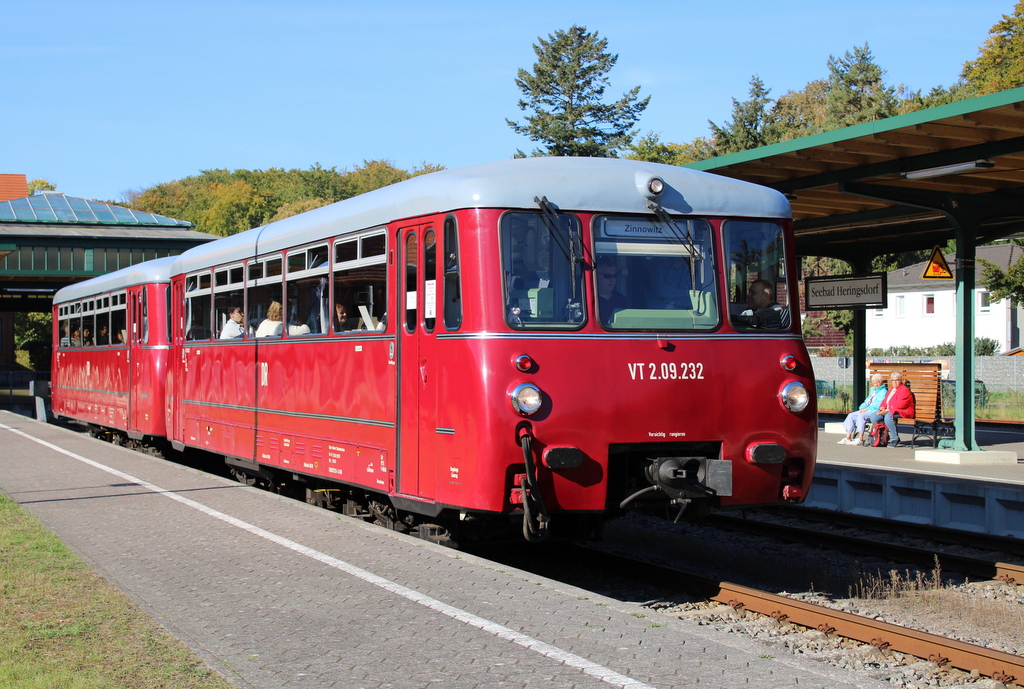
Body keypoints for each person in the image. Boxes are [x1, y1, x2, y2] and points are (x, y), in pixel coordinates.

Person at [837, 373, 887, 445]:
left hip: (873, 410)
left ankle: (860, 438)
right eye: (874, 383)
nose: (876, 384)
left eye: (878, 382)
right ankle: (848, 437)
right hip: (867, 409)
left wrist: (866, 409)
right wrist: (862, 408)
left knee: (862, 415)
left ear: (881, 382)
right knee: (851, 415)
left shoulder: (883, 392)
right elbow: (866, 401)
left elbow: (878, 405)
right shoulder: (873, 391)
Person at [870, 372, 916, 448]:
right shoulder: (892, 390)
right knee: (874, 416)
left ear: (900, 380)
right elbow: (885, 401)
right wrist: (881, 408)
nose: (894, 382)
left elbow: (900, 405)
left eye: (897, 380)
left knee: (888, 416)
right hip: (890, 410)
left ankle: (895, 438)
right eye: (893, 380)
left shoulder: (904, 390)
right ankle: (883, 436)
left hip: (903, 411)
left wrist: (887, 410)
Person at [596, 256, 628, 323]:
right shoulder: (587, 301)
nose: (612, 280)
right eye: (607, 276)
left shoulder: (622, 300)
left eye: (615, 275)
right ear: (596, 276)